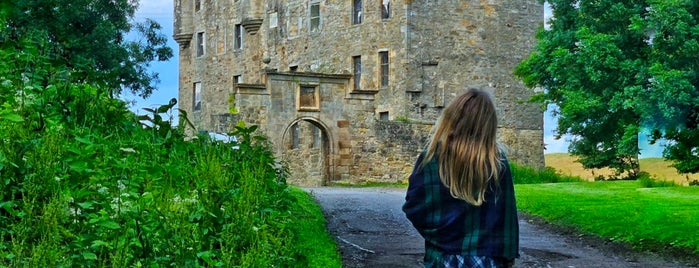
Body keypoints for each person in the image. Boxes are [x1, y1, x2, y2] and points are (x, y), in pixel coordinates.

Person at [402, 88, 519, 268]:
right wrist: (508, 256)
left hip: (442, 258)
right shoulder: (497, 162)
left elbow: (414, 207)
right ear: (488, 125)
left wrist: (439, 236)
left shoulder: (432, 158)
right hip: (488, 260)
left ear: (451, 118)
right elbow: (507, 217)